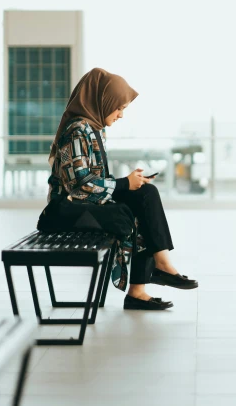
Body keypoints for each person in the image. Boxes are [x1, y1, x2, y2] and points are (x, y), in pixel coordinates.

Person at [47, 67, 198, 311]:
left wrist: (130, 184)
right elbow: (78, 186)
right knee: (130, 210)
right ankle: (150, 277)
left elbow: (93, 181)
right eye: (119, 108)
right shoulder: (77, 131)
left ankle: (148, 279)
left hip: (83, 206)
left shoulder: (95, 129)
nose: (121, 115)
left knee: (145, 194)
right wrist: (123, 184)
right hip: (64, 211)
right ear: (102, 101)